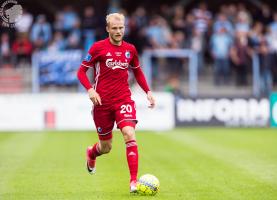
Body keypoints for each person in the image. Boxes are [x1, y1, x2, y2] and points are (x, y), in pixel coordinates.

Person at [77, 13, 155, 193]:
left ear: (124, 28)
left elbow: (138, 72)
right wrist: (90, 89)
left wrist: (148, 92)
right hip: (102, 103)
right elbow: (81, 72)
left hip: (123, 99)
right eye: (114, 28)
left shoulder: (131, 49)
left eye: (121, 28)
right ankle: (92, 153)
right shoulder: (98, 48)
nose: (118, 31)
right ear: (107, 29)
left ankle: (133, 182)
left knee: (129, 133)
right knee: (106, 147)